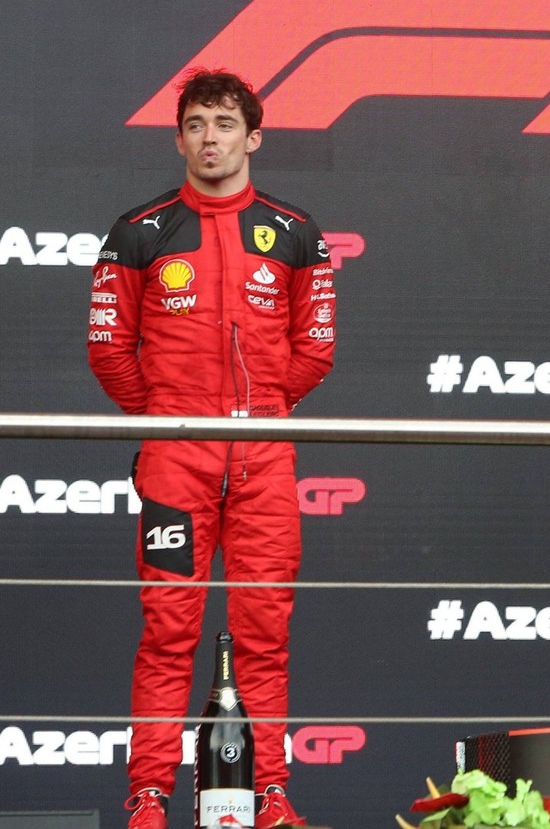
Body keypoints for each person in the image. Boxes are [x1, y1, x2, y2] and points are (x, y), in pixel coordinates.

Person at [89, 68, 335, 829]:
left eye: (225, 125)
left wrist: (263, 415)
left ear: (253, 138)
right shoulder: (140, 231)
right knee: (168, 630)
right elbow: (109, 349)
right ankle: (148, 796)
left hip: (266, 456)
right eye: (196, 124)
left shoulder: (294, 232)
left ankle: (269, 793)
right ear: (179, 139)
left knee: (265, 633)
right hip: (176, 459)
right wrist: (171, 418)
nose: (210, 139)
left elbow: (315, 348)